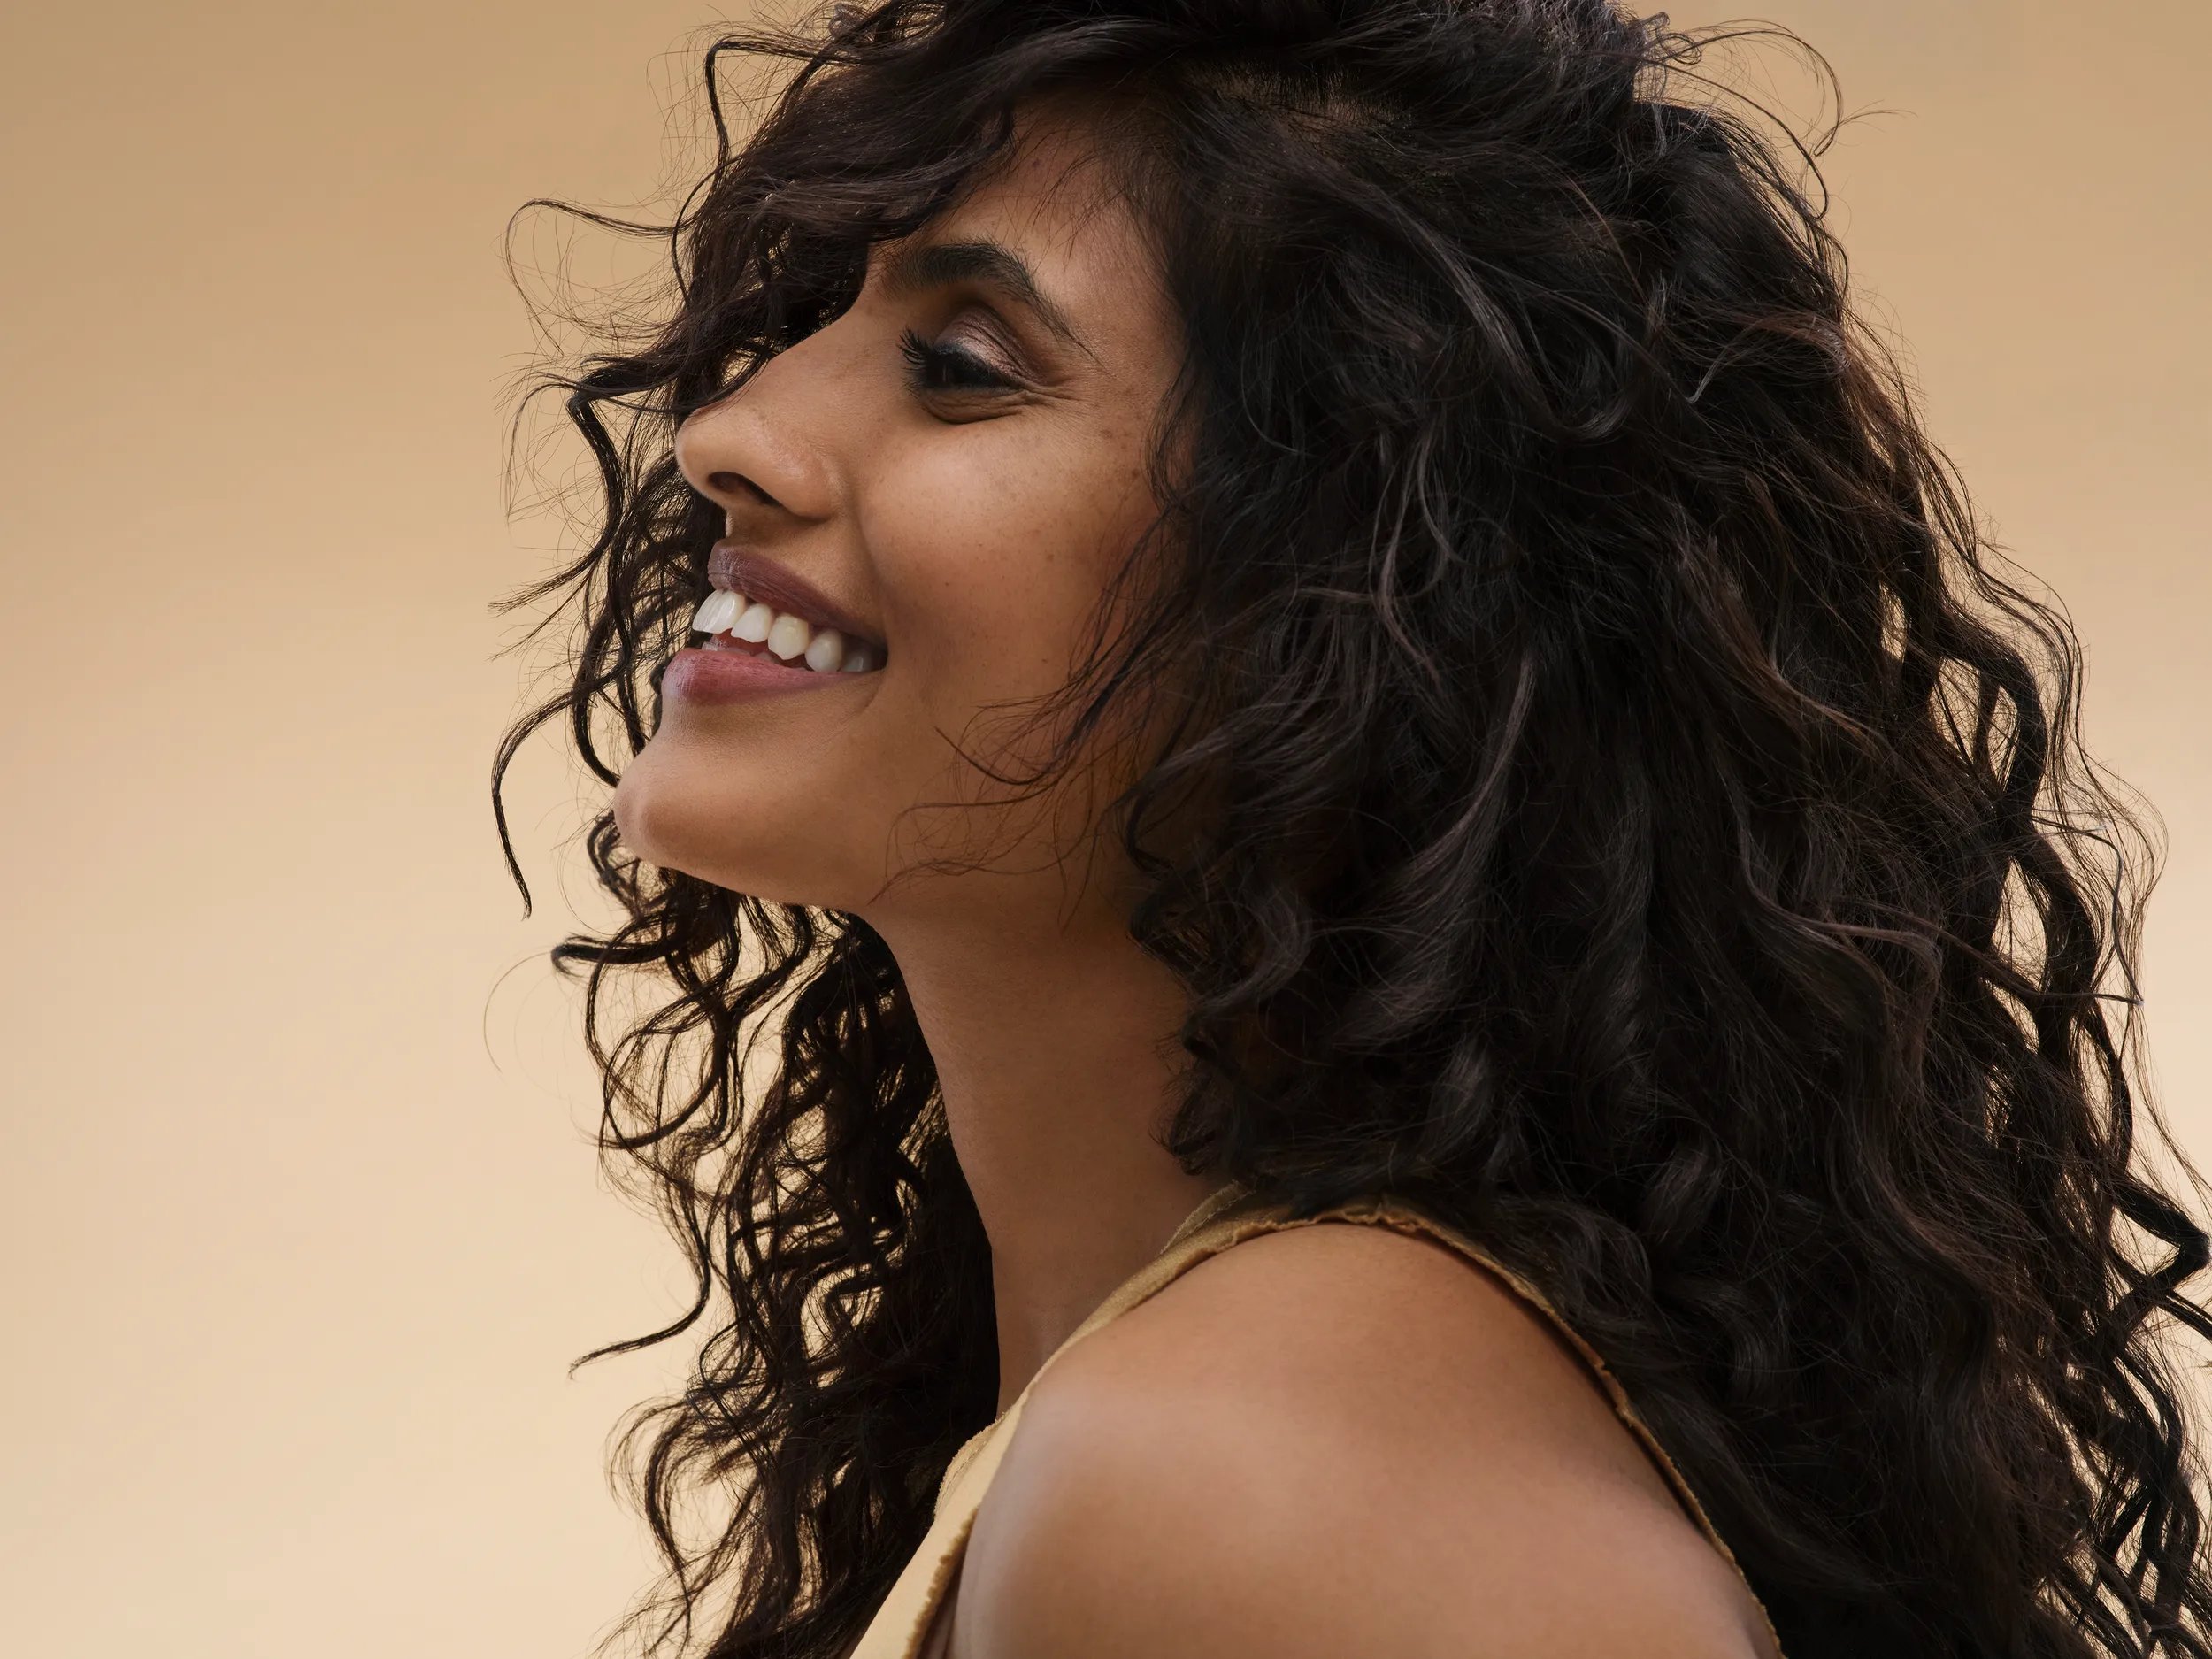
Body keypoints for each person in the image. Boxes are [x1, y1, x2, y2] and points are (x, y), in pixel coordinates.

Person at [492, 3, 2212, 1655]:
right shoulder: (1214, 1418)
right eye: (820, 313)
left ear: (1348, 613)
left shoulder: (1247, 1492)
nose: (733, 431)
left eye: (957, 367)